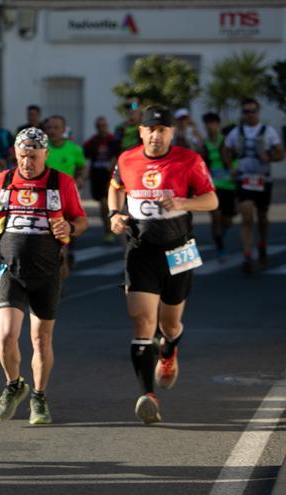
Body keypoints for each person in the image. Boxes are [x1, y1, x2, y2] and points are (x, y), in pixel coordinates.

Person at [108, 105, 218, 424]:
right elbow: (115, 188)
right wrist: (115, 215)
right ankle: (147, 396)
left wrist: (183, 202)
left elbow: (212, 200)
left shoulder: (189, 160)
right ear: (141, 131)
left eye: (163, 130)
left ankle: (168, 351)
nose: (156, 136)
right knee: (142, 322)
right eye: (151, 130)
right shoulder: (127, 159)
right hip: (140, 249)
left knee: (169, 325)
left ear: (172, 133)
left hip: (179, 249)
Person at [0, 127, 88, 426]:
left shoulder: (60, 182)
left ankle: (39, 397)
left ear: (45, 154)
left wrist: (71, 228)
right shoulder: (3, 179)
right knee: (5, 336)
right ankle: (14, 385)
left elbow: (81, 220)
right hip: (11, 271)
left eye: (32, 156)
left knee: (40, 340)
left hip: (47, 272)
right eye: (22, 156)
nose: (27, 162)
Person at [224, 98, 285, 273]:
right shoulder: (236, 132)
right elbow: (226, 150)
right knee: (247, 217)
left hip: (263, 179)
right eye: (246, 111)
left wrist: (271, 157)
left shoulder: (268, 131)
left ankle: (263, 244)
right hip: (244, 179)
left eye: (252, 111)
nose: (249, 114)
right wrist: (231, 167)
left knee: (263, 217)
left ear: (258, 112)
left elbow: (280, 153)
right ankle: (248, 254)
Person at [200, 112, 236, 260]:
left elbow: (234, 158)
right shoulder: (203, 144)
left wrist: (233, 168)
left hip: (228, 186)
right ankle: (220, 248)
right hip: (212, 187)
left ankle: (221, 233)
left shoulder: (227, 142)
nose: (210, 127)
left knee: (227, 220)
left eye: (213, 123)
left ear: (218, 124)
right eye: (207, 124)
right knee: (216, 216)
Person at [83, 116, 119, 242]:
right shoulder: (92, 141)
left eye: (103, 125)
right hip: (97, 176)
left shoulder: (112, 140)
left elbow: (118, 155)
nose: (101, 128)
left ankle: (111, 227)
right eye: (99, 126)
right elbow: (84, 156)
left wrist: (113, 164)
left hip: (110, 176)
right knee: (103, 204)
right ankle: (107, 228)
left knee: (107, 203)